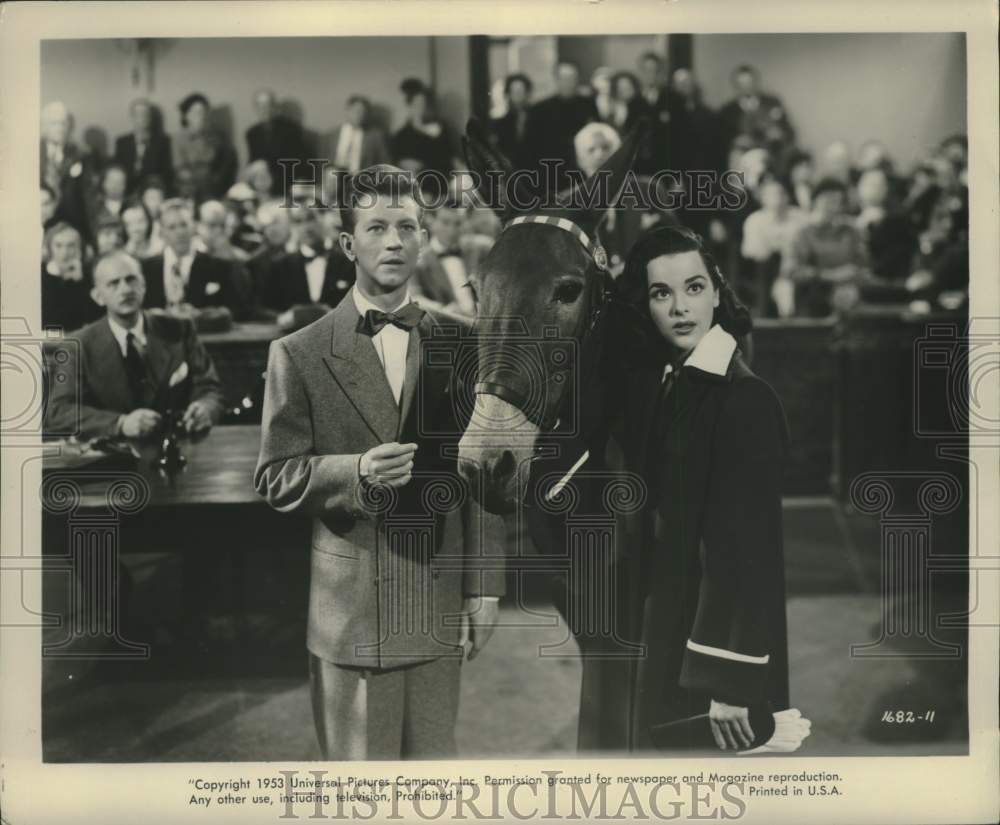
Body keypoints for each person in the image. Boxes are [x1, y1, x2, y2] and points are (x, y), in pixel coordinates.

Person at [254, 164, 505, 760]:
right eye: (376, 228)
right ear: (348, 244)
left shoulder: (462, 341)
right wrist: (356, 471)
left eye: (406, 227)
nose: (393, 241)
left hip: (438, 598)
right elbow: (275, 476)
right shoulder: (299, 351)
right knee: (362, 794)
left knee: (432, 779)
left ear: (423, 238)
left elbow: (484, 476)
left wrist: (486, 587)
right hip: (353, 614)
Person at [614, 224, 806, 753]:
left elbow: (746, 553)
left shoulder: (743, 399)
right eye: (662, 293)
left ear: (717, 293)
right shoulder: (673, 383)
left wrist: (729, 683)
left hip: (716, 668)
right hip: (672, 635)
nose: (680, 307)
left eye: (694, 288)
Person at [44, 250, 225, 441]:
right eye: (114, 283)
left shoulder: (179, 330)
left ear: (144, 285)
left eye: (131, 280)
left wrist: (205, 408)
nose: (126, 289)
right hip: (112, 456)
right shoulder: (79, 345)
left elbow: (210, 389)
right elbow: (59, 411)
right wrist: (120, 423)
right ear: (98, 296)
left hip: (177, 448)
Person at [140, 199, 249, 318]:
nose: (180, 232)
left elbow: (237, 311)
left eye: (184, 225)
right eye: (172, 227)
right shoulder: (146, 268)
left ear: (194, 227)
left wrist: (203, 315)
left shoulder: (220, 267)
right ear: (162, 232)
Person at [777, 177, 869, 317]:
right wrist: (830, 276)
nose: (833, 207)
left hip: (850, 294)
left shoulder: (851, 232)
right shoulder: (803, 233)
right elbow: (791, 271)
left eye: (838, 202)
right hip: (813, 296)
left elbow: (863, 265)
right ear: (815, 202)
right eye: (827, 201)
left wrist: (854, 279)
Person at [260, 205, 355, 313]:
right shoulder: (279, 266)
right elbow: (266, 310)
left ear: (326, 218)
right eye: (298, 221)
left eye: (311, 219)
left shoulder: (349, 262)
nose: (306, 228)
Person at [523, 62, 599, 190]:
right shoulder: (539, 109)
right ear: (556, 80)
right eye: (563, 78)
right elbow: (530, 148)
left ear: (577, 80)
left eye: (572, 78)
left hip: (582, 173)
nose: (568, 82)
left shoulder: (588, 105)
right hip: (550, 174)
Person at [740, 178, 807, 315]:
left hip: (797, 265)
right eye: (771, 194)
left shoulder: (801, 217)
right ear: (762, 198)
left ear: (788, 196)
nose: (778, 198)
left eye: (781, 193)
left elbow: (808, 244)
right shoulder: (754, 220)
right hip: (766, 268)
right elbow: (750, 251)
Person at [412, 200, 488, 318]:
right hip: (450, 326)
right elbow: (415, 298)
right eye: (445, 223)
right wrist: (443, 310)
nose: (452, 230)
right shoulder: (419, 263)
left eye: (457, 224)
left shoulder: (481, 249)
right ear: (431, 222)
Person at [717, 65, 795, 175]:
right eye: (741, 84)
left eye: (749, 82)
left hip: (771, 162)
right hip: (741, 165)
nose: (746, 87)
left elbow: (789, 132)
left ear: (756, 82)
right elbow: (720, 142)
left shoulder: (772, 103)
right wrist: (735, 142)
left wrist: (779, 134)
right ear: (736, 86)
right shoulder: (727, 111)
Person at [40, 101, 92, 238]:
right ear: (44, 126)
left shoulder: (81, 154)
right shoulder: (31, 152)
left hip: (71, 226)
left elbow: (88, 198)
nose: (60, 128)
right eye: (54, 123)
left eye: (64, 123)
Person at [174, 93, 238, 202]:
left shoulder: (218, 137)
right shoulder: (179, 139)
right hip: (189, 188)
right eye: (196, 113)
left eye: (203, 112)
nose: (201, 116)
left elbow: (226, 168)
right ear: (186, 115)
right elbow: (179, 169)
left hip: (214, 188)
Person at [41, 222, 102, 331]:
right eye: (58, 245)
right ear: (50, 248)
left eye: (71, 246)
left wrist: (79, 282)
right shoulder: (41, 274)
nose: (64, 252)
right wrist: (54, 277)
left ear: (80, 249)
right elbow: (49, 319)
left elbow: (92, 319)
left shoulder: (89, 274)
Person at [245, 88, 307, 195]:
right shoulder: (251, 133)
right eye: (261, 106)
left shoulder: (291, 129)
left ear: (275, 107)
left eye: (269, 105)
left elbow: (296, 161)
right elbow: (253, 159)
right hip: (261, 180)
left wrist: (266, 165)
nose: (265, 110)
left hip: (285, 177)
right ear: (256, 109)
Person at [391, 78, 456, 178]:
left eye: (424, 104)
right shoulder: (401, 135)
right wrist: (403, 163)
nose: (421, 108)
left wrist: (423, 165)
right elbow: (395, 163)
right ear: (409, 106)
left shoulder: (441, 129)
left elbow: (449, 159)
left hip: (439, 180)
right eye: (417, 104)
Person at [113, 98, 174, 195]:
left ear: (150, 118)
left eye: (145, 114)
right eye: (138, 115)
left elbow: (166, 175)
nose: (142, 118)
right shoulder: (122, 142)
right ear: (132, 117)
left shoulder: (163, 142)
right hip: (126, 194)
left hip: (153, 193)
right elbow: (118, 171)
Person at [326, 95, 390, 174]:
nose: (359, 115)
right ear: (347, 111)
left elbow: (385, 164)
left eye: (363, 112)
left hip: (363, 181)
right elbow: (322, 163)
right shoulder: (332, 135)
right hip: (335, 179)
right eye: (355, 111)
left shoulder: (375, 137)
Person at [489, 73, 534, 172]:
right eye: (514, 92)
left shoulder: (538, 119)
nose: (518, 96)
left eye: (521, 91)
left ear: (527, 93)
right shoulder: (499, 123)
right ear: (507, 94)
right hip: (510, 173)